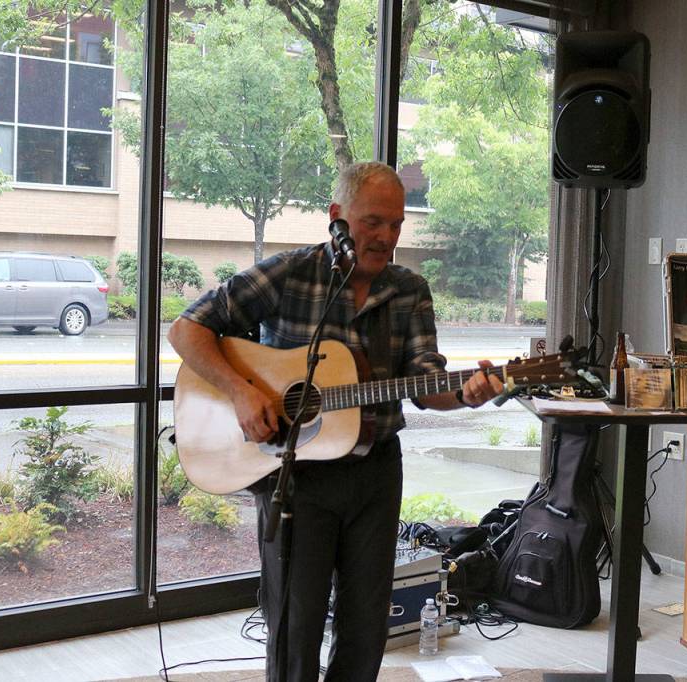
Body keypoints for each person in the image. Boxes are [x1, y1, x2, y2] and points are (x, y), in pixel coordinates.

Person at [167, 161, 503, 682]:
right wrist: (242, 391)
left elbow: (427, 385)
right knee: (294, 620)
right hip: (299, 473)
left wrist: (467, 394)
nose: (386, 237)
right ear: (337, 217)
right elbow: (188, 329)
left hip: (375, 471)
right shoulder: (291, 273)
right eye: (373, 222)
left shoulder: (410, 289)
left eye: (395, 224)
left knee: (367, 621)